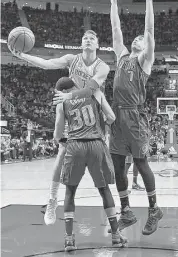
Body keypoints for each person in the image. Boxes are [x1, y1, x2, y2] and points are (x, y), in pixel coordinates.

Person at [8, 30, 110, 225]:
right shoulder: (72, 59)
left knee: (101, 165)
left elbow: (90, 90)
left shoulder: (102, 67)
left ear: (97, 44)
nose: (88, 40)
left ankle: (112, 210)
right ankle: (52, 200)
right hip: (73, 113)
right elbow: (48, 64)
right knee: (62, 153)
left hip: (93, 113)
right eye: (84, 38)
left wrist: (68, 96)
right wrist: (23, 56)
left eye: (92, 38)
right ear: (81, 44)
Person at [109, 0, 163, 235]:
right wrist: (112, 6)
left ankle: (154, 210)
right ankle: (126, 211)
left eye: (139, 40)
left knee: (141, 164)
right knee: (118, 165)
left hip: (134, 116)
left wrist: (149, 1)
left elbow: (149, 30)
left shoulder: (144, 61)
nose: (136, 39)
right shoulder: (121, 56)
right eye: (135, 39)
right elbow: (116, 30)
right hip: (117, 116)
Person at [53, 77, 127, 251]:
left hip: (75, 145)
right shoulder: (96, 93)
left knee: (70, 191)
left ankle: (69, 239)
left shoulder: (62, 103)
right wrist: (101, 123)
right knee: (104, 190)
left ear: (63, 91)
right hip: (96, 144)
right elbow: (111, 117)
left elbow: (57, 132)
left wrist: (62, 140)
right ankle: (116, 235)